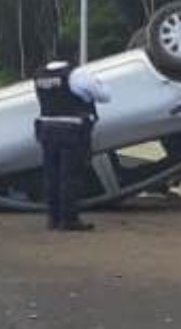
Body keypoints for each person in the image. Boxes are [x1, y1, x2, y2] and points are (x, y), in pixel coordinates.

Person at [34, 54, 110, 232]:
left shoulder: (40, 75)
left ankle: (53, 219)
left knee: (51, 176)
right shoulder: (76, 75)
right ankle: (69, 219)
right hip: (72, 130)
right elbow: (105, 96)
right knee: (70, 176)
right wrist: (98, 82)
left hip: (46, 129)